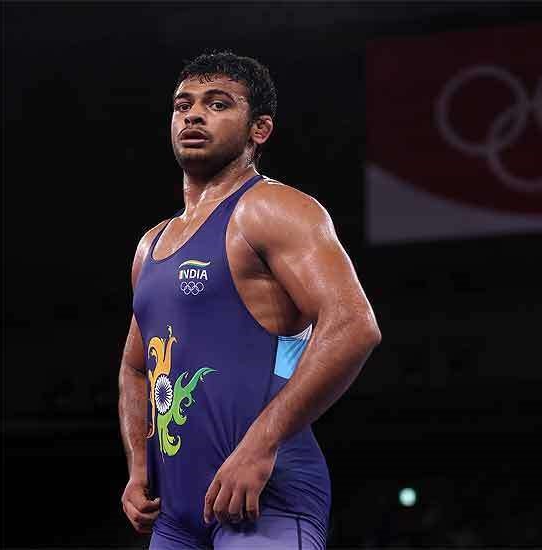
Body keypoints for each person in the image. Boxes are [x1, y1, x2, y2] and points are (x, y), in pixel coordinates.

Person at [117, 50, 381, 549]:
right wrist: (138, 468)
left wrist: (261, 445)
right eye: (183, 105)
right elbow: (135, 368)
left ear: (259, 129)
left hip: (265, 497)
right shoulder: (151, 244)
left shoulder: (272, 209)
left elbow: (353, 325)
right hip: (174, 517)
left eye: (217, 104)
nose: (194, 115)